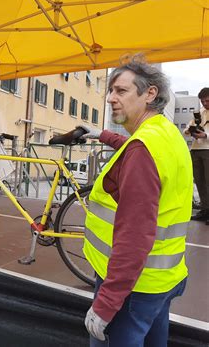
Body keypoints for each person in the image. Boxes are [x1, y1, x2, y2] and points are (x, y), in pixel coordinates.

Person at [80, 58, 191, 346]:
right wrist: (101, 134)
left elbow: (134, 237)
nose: (110, 99)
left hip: (130, 289)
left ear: (150, 93)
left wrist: (105, 304)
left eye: (121, 91)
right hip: (163, 279)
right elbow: (133, 147)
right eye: (111, 91)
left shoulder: (142, 150)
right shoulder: (165, 134)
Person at [184, 87, 209, 224]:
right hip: (196, 149)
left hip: (208, 149)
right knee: (199, 181)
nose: (204, 103)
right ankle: (205, 210)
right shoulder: (199, 113)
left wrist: (205, 135)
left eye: (207, 100)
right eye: (202, 101)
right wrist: (189, 131)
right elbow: (187, 128)